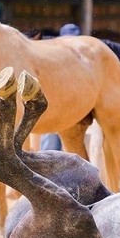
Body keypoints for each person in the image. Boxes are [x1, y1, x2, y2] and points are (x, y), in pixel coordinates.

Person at [39, 23, 83, 151]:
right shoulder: (53, 59)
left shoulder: (82, 61)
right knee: (50, 148)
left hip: (74, 111)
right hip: (55, 111)